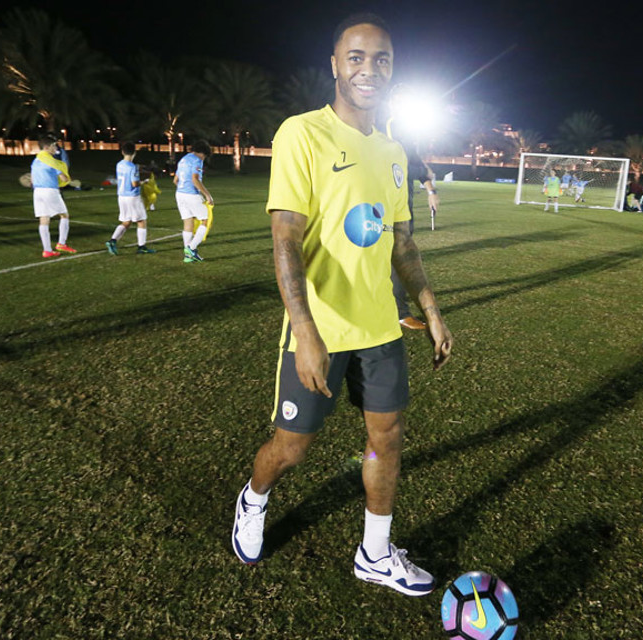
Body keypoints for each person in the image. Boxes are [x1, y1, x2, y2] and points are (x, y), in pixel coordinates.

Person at [230, 13, 453, 598]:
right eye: (355, 57)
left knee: (386, 438)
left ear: (393, 69)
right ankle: (253, 500)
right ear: (334, 65)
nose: (368, 68)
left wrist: (429, 308)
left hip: (380, 328)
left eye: (380, 58)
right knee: (292, 448)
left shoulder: (396, 151)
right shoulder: (301, 133)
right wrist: (304, 331)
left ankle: (374, 554)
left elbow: (403, 241)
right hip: (320, 331)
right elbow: (285, 239)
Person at [386, 83, 441, 331]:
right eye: (400, 99)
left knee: (401, 256)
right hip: (377, 205)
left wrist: (431, 191)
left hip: (401, 206)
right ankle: (394, 309)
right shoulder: (375, 125)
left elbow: (416, 164)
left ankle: (400, 312)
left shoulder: (403, 131)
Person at [106, 142, 157, 255]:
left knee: (126, 221)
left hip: (122, 196)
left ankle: (112, 241)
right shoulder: (133, 167)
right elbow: (134, 183)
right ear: (134, 152)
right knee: (141, 220)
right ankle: (141, 247)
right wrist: (144, 182)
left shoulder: (119, 164)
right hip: (132, 197)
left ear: (122, 152)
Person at [31, 135, 76, 257]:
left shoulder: (35, 161)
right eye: (53, 145)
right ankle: (61, 243)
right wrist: (68, 180)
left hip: (37, 192)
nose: (55, 147)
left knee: (44, 220)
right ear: (47, 147)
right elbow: (63, 177)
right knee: (64, 215)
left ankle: (47, 250)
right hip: (50, 191)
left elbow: (32, 179)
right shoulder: (51, 161)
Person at [174, 140, 215, 262]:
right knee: (205, 220)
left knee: (188, 222)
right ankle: (191, 248)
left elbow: (175, 180)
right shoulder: (197, 160)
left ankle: (188, 255)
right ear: (203, 153)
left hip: (179, 194)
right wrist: (207, 195)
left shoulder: (184, 159)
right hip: (191, 194)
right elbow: (195, 179)